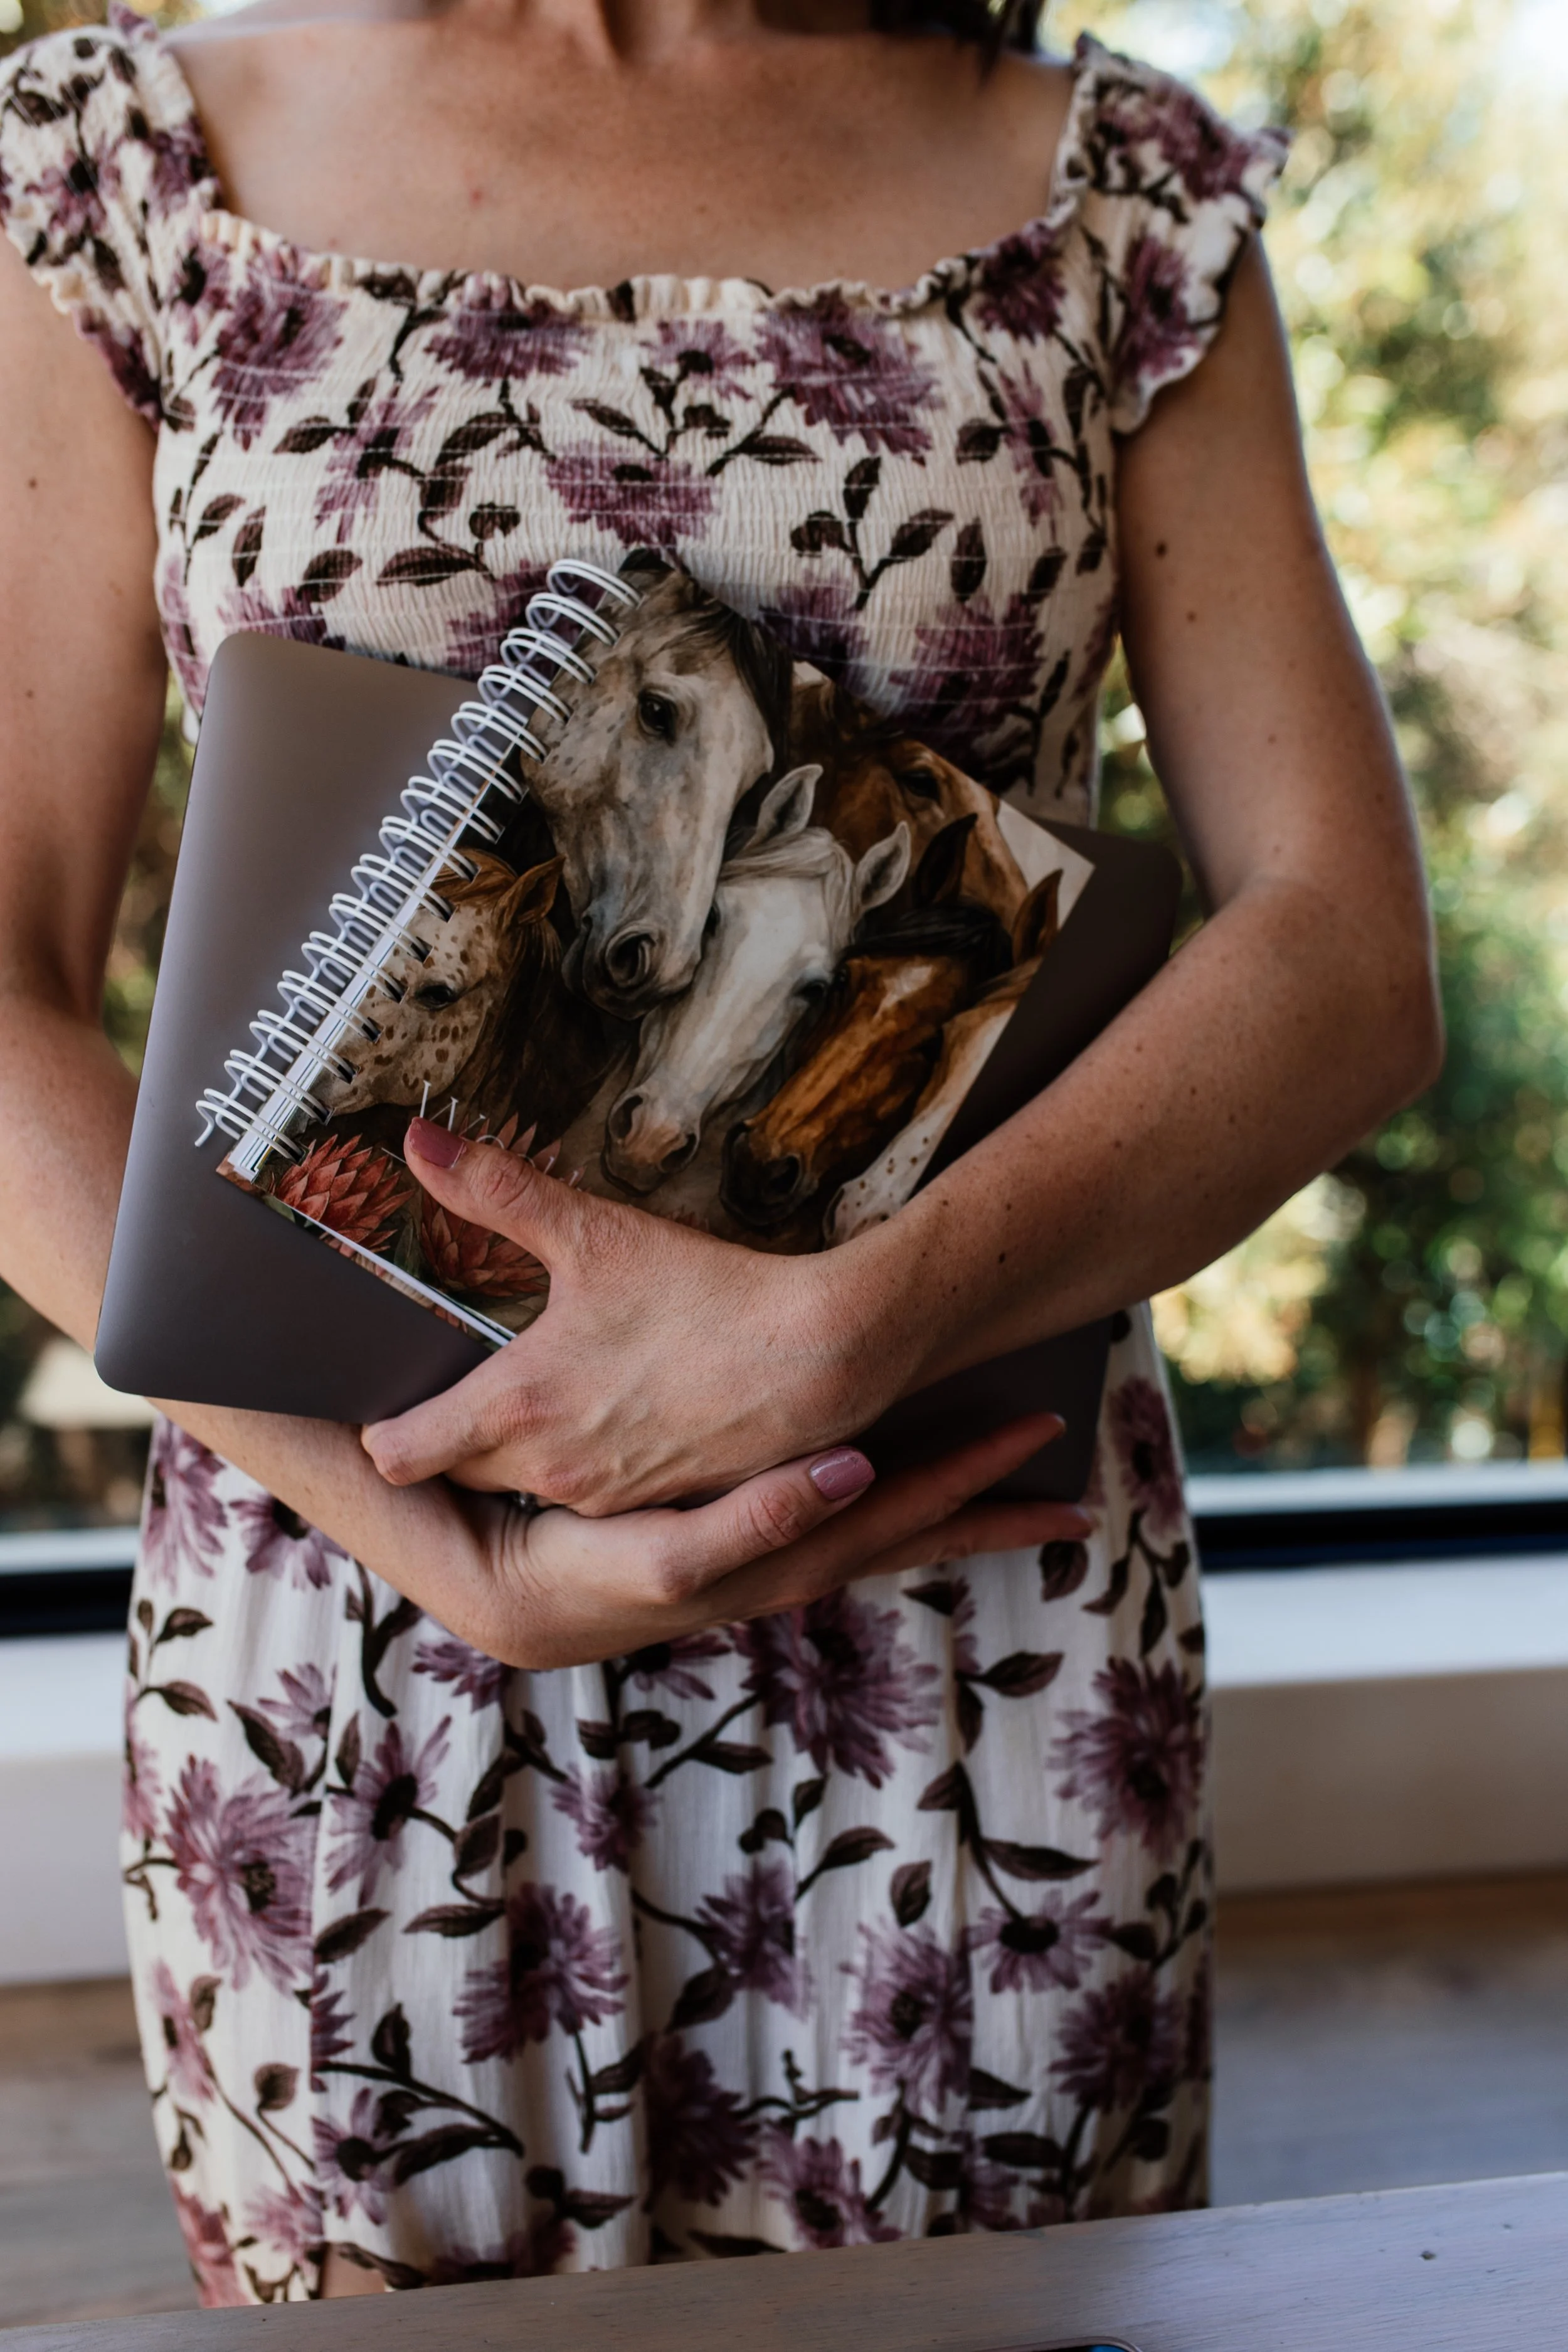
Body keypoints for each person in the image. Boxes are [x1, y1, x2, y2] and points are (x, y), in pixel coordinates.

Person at [0, 0, 1439, 2303]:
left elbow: (1348, 954)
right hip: (363, 1644)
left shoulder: (1120, 195)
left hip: (965, 1652)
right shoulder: (123, 163)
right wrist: (440, 1545)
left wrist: (839, 1330)